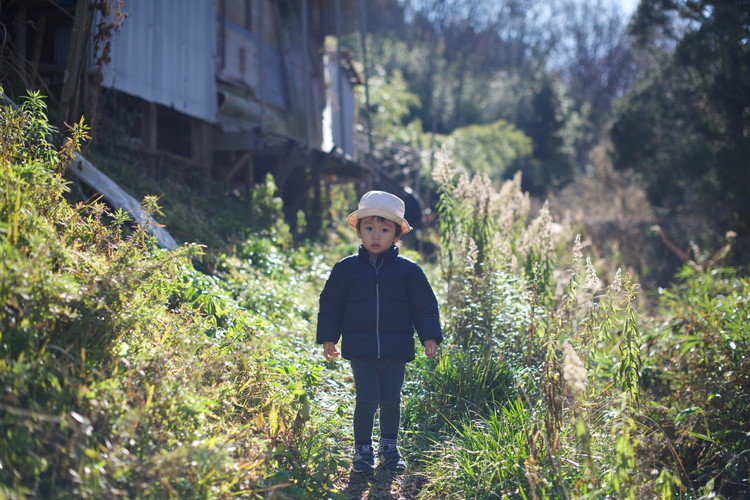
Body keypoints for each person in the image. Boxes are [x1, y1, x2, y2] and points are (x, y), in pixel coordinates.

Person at [316, 190, 442, 474]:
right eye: (369, 228)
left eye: (385, 230)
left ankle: (388, 447)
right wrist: (328, 337)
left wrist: (429, 336)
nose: (376, 236)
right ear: (359, 231)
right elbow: (331, 304)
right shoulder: (346, 269)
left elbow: (424, 306)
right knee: (367, 398)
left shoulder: (408, 271)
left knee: (391, 399)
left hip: (396, 349)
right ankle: (362, 449)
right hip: (361, 349)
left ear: (396, 235)